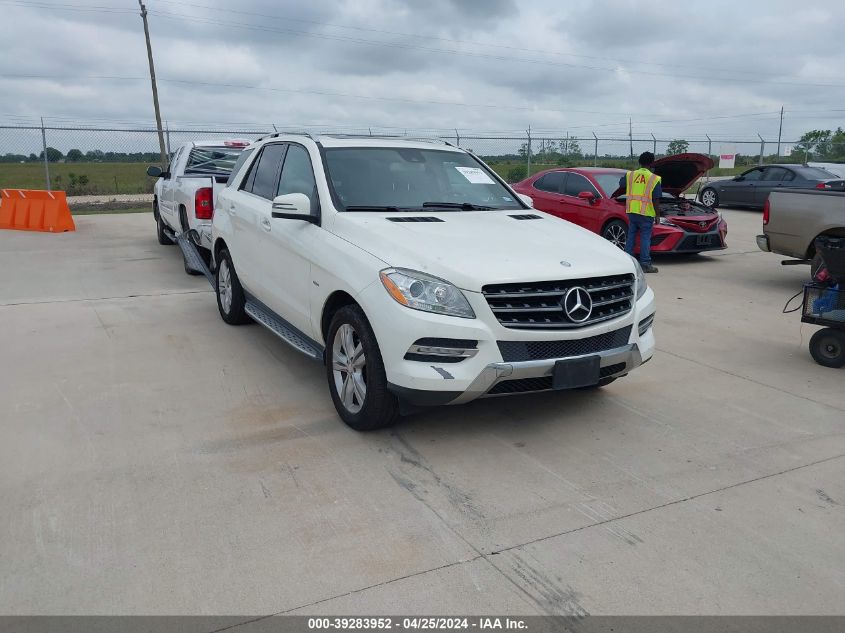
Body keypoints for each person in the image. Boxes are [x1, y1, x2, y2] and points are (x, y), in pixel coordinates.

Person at [618, 152, 661, 273]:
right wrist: (658, 215)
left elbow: (621, 184)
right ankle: (645, 264)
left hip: (632, 211)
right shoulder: (654, 178)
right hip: (646, 213)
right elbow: (656, 198)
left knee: (631, 235)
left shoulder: (630, 175)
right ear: (652, 163)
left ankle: (627, 262)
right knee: (645, 237)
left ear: (639, 162)